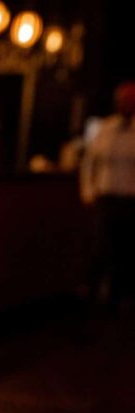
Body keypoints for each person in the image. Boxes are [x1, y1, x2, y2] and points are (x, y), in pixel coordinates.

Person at [80, 83, 135, 307]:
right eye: (122, 99)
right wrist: (88, 191)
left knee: (127, 249)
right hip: (106, 195)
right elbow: (89, 162)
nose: (125, 104)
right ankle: (97, 294)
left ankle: (124, 296)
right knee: (101, 246)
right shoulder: (104, 128)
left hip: (130, 199)